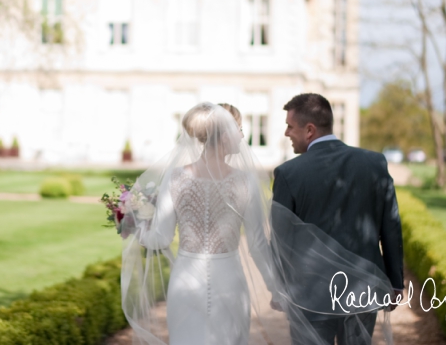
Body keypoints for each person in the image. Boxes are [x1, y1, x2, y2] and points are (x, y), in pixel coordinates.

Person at [120, 102, 275, 345]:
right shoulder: (247, 182)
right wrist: (275, 289)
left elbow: (159, 239)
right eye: (239, 129)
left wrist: (134, 225)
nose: (243, 135)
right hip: (230, 281)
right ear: (224, 135)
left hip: (186, 281)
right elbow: (257, 245)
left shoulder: (176, 177)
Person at [272, 93, 404, 345]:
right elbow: (391, 226)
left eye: (290, 126)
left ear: (309, 130)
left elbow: (280, 239)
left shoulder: (289, 174)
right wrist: (395, 282)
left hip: (308, 294)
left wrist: (278, 287)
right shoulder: (375, 163)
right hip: (361, 289)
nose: (287, 133)